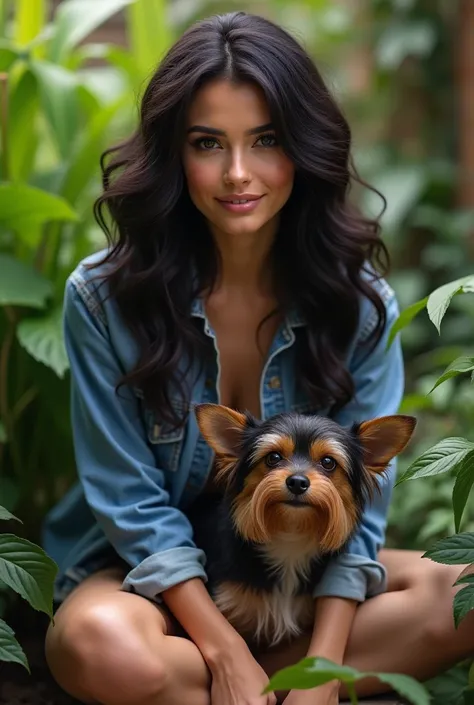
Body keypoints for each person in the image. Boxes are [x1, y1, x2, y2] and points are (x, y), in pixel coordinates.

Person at [43, 11, 473, 705]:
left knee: (469, 589)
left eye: (266, 140)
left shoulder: (358, 303)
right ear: (173, 154)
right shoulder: (103, 298)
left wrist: (323, 675)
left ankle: (253, 685)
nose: (238, 174)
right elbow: (129, 500)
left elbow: (360, 511)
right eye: (208, 143)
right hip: (145, 577)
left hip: (303, 570)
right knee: (100, 646)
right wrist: (224, 648)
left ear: (303, 147)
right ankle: (234, 673)